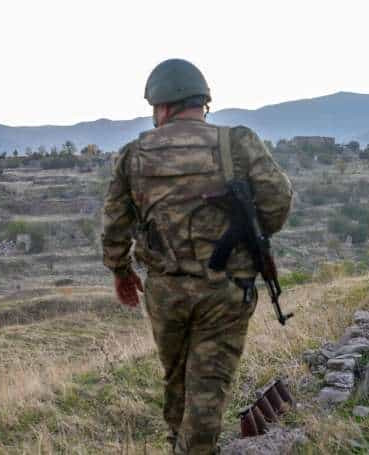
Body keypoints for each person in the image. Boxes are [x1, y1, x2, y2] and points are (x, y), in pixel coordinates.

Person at [101, 58, 293, 454]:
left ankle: (182, 445)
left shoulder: (132, 154)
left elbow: (115, 225)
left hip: (165, 293)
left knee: (177, 382)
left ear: (162, 106)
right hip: (225, 291)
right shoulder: (237, 143)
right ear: (202, 102)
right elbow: (278, 200)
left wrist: (121, 272)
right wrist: (250, 234)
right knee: (207, 390)